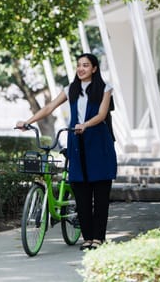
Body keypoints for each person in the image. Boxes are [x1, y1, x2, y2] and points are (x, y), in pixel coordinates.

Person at [16, 53, 117, 251]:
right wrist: (28, 122)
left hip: (98, 143)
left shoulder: (105, 89)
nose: (81, 69)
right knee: (81, 192)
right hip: (77, 142)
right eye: (79, 65)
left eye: (86, 65)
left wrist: (85, 125)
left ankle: (98, 238)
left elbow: (102, 115)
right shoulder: (71, 89)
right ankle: (87, 238)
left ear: (94, 69)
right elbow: (49, 107)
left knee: (100, 193)